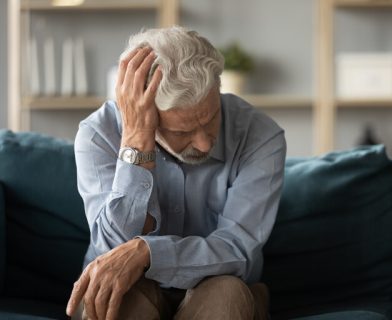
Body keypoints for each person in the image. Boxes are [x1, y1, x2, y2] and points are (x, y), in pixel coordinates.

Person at [65, 26, 286, 320]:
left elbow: (238, 251)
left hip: (222, 286)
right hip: (128, 287)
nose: (205, 142)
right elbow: (112, 251)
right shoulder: (98, 134)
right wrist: (135, 142)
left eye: (210, 119)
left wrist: (148, 253)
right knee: (114, 303)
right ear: (144, 112)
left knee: (228, 296)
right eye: (183, 132)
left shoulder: (261, 135)